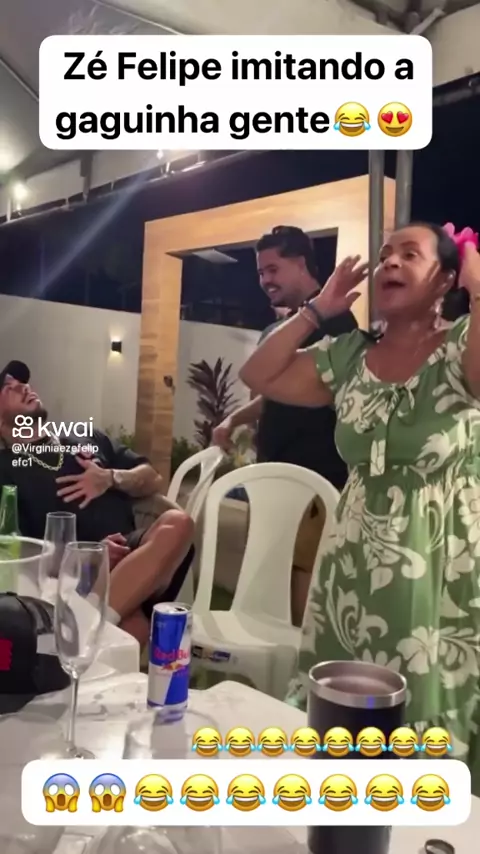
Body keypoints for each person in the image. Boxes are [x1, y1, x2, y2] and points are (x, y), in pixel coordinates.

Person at [239, 222, 480, 793]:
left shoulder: (460, 345)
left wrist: (478, 285)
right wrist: (317, 310)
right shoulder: (350, 354)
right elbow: (259, 374)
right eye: (385, 253)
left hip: (437, 552)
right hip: (352, 556)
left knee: (420, 691)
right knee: (343, 700)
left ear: (445, 278)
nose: (389, 262)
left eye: (409, 254)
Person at [213, 226, 357, 625]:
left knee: (300, 580)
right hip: (276, 474)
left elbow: (315, 388)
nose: (265, 280)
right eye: (261, 272)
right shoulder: (292, 325)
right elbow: (274, 389)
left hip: (314, 481)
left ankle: (301, 657)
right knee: (268, 579)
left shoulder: (334, 322)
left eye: (273, 269)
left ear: (301, 264)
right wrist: (234, 418)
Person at [0, 363, 194, 646]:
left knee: (179, 523)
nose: (23, 386)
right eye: (9, 387)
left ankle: (83, 627)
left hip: (135, 553)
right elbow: (17, 552)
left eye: (22, 382)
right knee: (134, 631)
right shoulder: (5, 468)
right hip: (74, 574)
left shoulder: (86, 437)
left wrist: (111, 477)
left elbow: (152, 477)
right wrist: (88, 556)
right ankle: (94, 625)